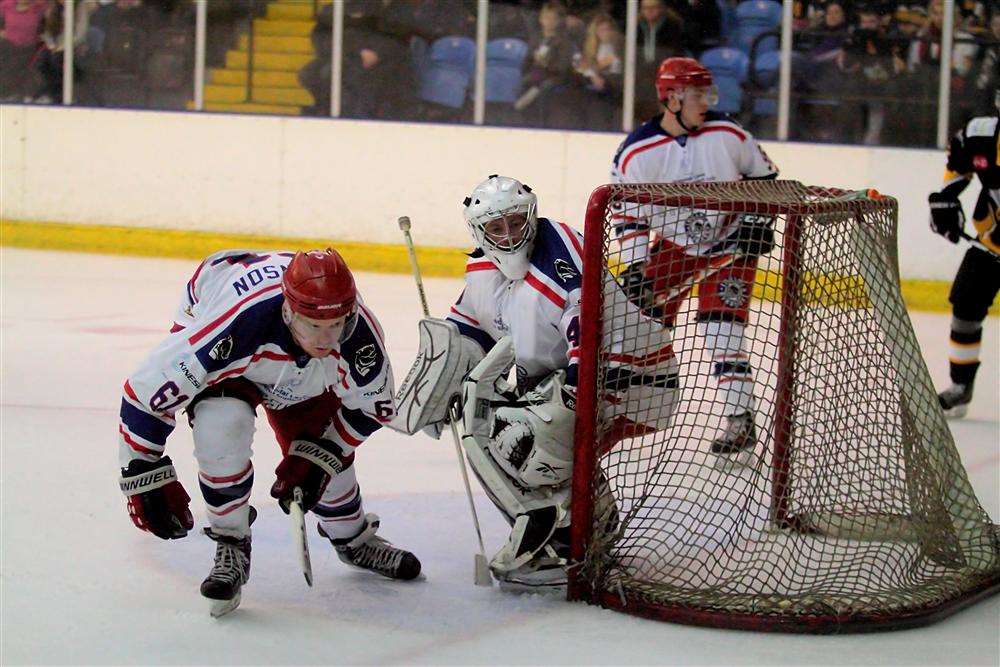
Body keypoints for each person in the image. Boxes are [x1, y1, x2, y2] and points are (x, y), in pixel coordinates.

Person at [390, 175, 677, 590]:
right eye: (495, 227)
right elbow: (470, 328)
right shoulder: (486, 270)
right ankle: (592, 526)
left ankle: (557, 535)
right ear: (478, 231)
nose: (507, 235)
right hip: (587, 378)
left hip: (633, 377)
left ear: (532, 215)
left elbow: (584, 323)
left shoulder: (559, 251)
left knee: (517, 438)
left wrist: (575, 391)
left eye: (515, 222)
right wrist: (442, 383)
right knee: (491, 421)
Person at [117, 248, 420, 617]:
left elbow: (374, 408)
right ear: (289, 312)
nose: (326, 339)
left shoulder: (358, 336)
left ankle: (352, 538)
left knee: (323, 464)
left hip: (303, 372)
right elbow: (144, 394)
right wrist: (143, 474)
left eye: (335, 325)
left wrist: (322, 455)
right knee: (220, 428)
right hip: (236, 356)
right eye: (314, 325)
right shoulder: (236, 324)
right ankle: (231, 540)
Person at [609, 56, 779, 465]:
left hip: (730, 243)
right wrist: (634, 265)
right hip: (674, 249)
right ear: (671, 98)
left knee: (721, 330)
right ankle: (612, 403)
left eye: (707, 93)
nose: (707, 101)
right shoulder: (637, 153)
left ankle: (740, 420)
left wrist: (756, 222)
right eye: (697, 94)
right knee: (635, 325)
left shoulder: (729, 134)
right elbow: (628, 214)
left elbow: (766, 181)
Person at [928, 88, 1000, 418]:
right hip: (991, 241)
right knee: (965, 307)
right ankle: (961, 387)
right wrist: (945, 198)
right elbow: (959, 162)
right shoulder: (980, 134)